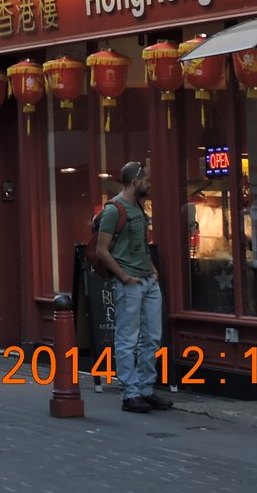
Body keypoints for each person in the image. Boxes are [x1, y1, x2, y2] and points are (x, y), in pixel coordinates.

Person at [96, 160, 171, 414]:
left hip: (147, 281)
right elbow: (102, 250)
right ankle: (130, 393)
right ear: (135, 181)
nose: (149, 183)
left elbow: (139, 242)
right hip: (130, 283)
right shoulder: (113, 210)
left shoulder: (138, 206)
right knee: (127, 338)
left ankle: (146, 389)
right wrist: (125, 277)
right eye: (146, 180)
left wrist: (151, 268)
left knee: (152, 337)